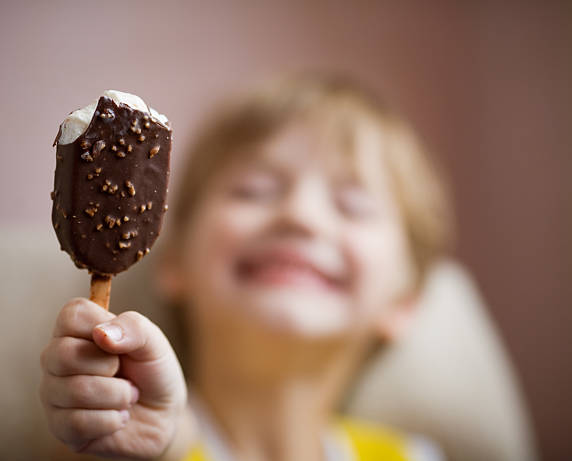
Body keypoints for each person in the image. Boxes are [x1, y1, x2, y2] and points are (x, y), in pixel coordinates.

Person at [40, 75, 453, 461]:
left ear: (404, 301)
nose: (300, 214)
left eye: (352, 206)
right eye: (253, 192)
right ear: (175, 260)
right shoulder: (123, 441)